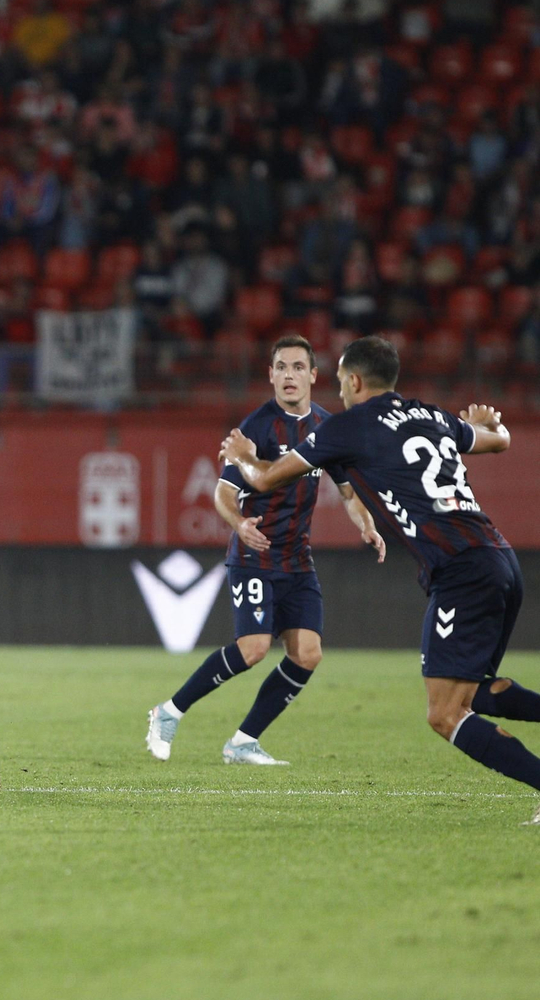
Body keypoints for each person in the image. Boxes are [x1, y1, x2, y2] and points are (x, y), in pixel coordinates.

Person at [220, 335, 540, 822]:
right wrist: (486, 424)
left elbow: (263, 480)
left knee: (444, 714)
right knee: (472, 693)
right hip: (500, 560)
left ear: (352, 380)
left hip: (461, 572)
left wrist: (242, 454)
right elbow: (500, 440)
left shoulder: (347, 428)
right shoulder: (431, 415)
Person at [146, 336, 386, 765]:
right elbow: (222, 491)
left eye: (298, 367)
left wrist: (367, 525)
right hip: (254, 555)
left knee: (307, 654)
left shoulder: (327, 427)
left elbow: (348, 492)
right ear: (271, 375)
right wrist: (239, 523)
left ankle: (243, 742)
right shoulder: (256, 427)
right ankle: (168, 712)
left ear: (313, 376)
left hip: (297, 559)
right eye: (281, 367)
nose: (289, 375)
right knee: (253, 648)